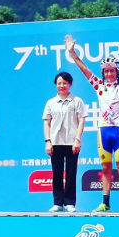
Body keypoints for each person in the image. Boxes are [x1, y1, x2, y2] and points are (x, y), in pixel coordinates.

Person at [65, 35, 119, 213]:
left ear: (117, 72)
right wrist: (72, 52)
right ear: (103, 73)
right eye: (106, 71)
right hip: (103, 131)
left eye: (112, 71)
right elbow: (83, 68)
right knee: (105, 167)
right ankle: (105, 203)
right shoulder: (99, 86)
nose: (109, 74)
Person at [43, 71, 87, 212]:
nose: (62, 85)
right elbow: (47, 123)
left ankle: (69, 202)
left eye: (65, 83)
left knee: (71, 172)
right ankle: (57, 202)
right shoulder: (51, 102)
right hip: (55, 142)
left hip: (71, 142)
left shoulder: (77, 101)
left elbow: (81, 121)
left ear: (70, 84)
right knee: (56, 173)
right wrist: (48, 141)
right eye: (59, 83)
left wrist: (78, 139)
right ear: (56, 85)